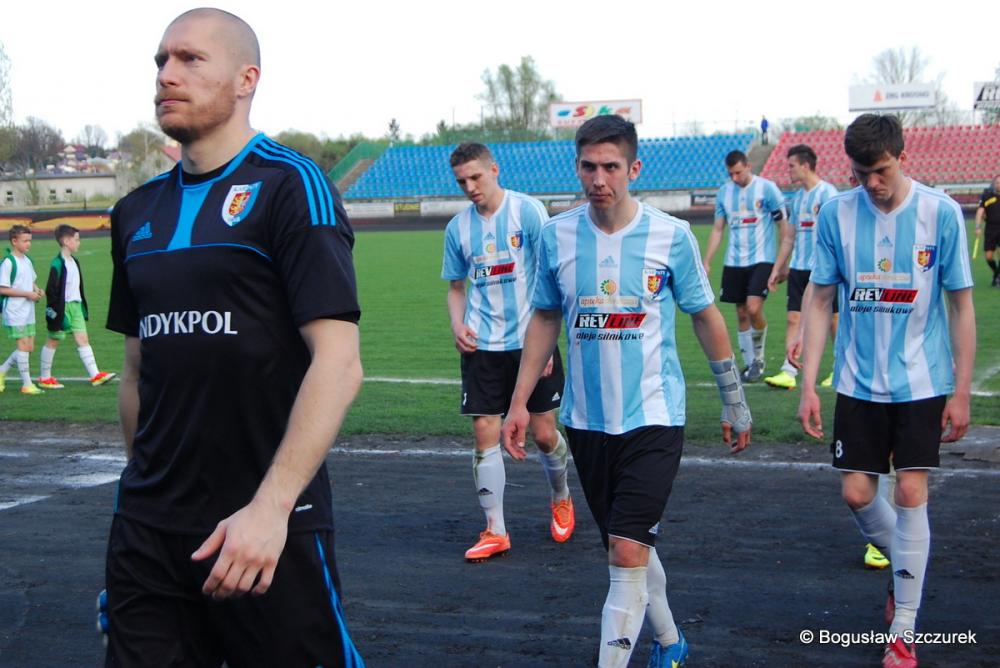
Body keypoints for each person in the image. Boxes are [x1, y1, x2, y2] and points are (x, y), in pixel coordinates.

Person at [103, 9, 364, 666]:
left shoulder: (290, 186)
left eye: (190, 59)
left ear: (247, 79)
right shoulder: (134, 212)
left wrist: (271, 508)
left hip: (265, 527)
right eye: (161, 61)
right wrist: (138, 500)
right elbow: (136, 371)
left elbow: (339, 363)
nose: (167, 75)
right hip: (148, 535)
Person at [502, 115, 752, 668]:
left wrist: (733, 399)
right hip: (587, 422)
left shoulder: (672, 236)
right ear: (577, 167)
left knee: (626, 550)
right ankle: (671, 642)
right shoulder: (556, 235)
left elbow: (706, 317)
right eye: (588, 167)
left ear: (634, 168)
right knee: (628, 547)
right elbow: (544, 317)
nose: (599, 179)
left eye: (611, 167)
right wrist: (519, 402)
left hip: (654, 419)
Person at [798, 113, 975, 668]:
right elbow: (819, 299)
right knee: (856, 494)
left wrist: (961, 390)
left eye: (881, 171)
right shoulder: (836, 214)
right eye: (859, 173)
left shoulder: (940, 213)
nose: (871, 183)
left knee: (910, 493)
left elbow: (961, 305)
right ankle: (908, 565)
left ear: (902, 157)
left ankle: (903, 629)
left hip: (923, 380)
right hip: (857, 381)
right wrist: (808, 384)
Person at [442, 142, 575, 563]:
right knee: (485, 431)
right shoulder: (458, 229)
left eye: (475, 177)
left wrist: (547, 343)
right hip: (482, 346)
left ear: (494, 170)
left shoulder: (528, 212)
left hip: (530, 341)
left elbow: (552, 276)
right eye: (462, 181)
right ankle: (495, 529)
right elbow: (456, 288)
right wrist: (457, 324)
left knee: (543, 434)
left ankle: (561, 497)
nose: (470, 187)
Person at [702, 150, 789, 382]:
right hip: (734, 260)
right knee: (741, 312)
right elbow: (718, 229)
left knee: (753, 308)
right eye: (730, 174)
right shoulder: (724, 193)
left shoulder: (767, 189)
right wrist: (707, 260)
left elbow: (783, 226)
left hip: (762, 258)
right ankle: (750, 364)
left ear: (748, 166)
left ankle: (758, 359)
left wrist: (782, 263)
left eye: (738, 172)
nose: (735, 178)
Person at [763, 144, 839, 390]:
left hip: (824, 269)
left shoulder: (828, 194)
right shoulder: (797, 199)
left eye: (792, 166)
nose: (789, 170)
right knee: (793, 317)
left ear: (805, 166)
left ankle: (839, 368)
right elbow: (789, 237)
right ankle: (789, 370)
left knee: (834, 319)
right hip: (799, 267)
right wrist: (777, 268)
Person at [37, 224, 116, 389]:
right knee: (54, 339)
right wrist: (55, 311)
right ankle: (45, 377)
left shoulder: (74, 261)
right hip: (62, 308)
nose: (79, 242)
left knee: (83, 339)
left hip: (76, 307)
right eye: (77, 239)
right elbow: (51, 290)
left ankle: (95, 375)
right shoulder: (57, 263)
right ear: (66, 241)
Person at [0, 224, 44, 395]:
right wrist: (27, 294)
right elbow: (3, 289)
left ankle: (2, 370)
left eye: (29, 240)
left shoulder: (27, 260)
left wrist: (37, 290)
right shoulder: (8, 262)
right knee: (23, 347)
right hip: (15, 311)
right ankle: (27, 384)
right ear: (14, 241)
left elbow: (30, 281)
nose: (28, 244)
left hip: (28, 310)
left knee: (29, 347)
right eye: (25, 241)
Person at [974, 174, 1000, 286]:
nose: (999, 185)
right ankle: (996, 274)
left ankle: (997, 278)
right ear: (994, 184)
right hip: (990, 229)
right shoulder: (987, 195)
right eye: (997, 183)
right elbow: (980, 211)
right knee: (989, 257)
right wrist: (977, 227)